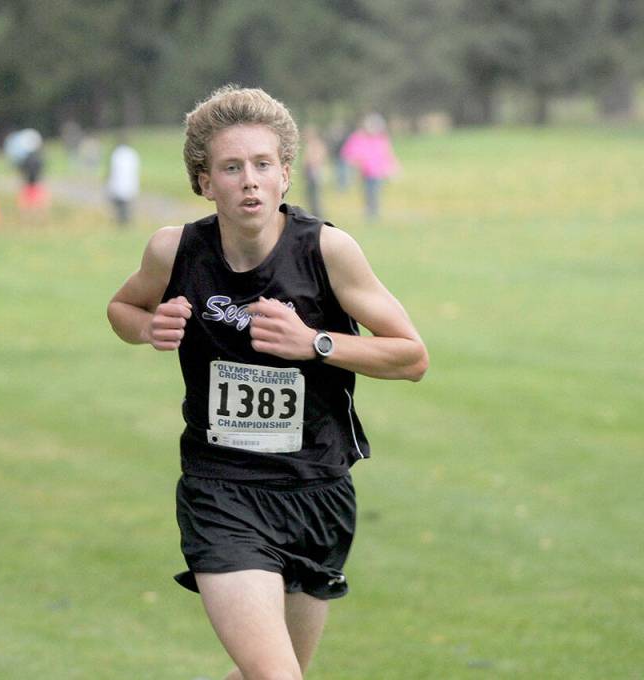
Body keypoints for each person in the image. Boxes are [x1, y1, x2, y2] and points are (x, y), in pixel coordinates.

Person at [106, 86, 428, 679]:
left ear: (285, 175)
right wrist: (151, 325)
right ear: (204, 182)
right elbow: (122, 309)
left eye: (262, 165)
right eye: (231, 167)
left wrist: (316, 342)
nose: (249, 181)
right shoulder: (174, 250)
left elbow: (410, 356)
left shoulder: (327, 251)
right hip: (222, 491)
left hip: (317, 490)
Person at [340, 113, 400, 220]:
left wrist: (392, 169)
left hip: (377, 172)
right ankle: (370, 211)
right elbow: (350, 153)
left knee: (375, 192)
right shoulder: (359, 137)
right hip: (365, 172)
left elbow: (387, 155)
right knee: (368, 192)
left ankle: (374, 211)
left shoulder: (381, 139)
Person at [106, 132, 141, 227]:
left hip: (118, 184)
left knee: (119, 207)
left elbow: (112, 170)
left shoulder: (116, 154)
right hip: (130, 184)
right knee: (126, 206)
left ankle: (122, 223)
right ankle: (125, 223)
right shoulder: (132, 154)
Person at [300, 125, 328, 219]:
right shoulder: (311, 144)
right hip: (310, 171)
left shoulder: (316, 145)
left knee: (315, 193)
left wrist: (312, 164)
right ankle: (313, 211)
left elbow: (317, 158)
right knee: (311, 193)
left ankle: (317, 212)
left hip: (314, 171)